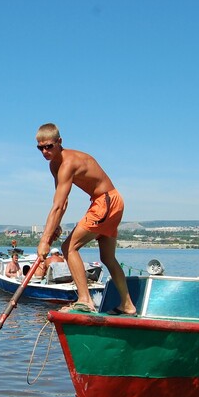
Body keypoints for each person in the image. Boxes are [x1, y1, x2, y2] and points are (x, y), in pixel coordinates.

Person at [35, 123, 136, 315]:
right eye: (40, 148)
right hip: (107, 202)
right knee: (107, 257)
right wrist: (55, 227)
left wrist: (44, 240)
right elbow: (62, 203)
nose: (45, 152)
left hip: (106, 202)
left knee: (68, 247)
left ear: (59, 142)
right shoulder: (54, 166)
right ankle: (128, 305)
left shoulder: (68, 163)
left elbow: (57, 206)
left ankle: (84, 301)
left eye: (49, 146)